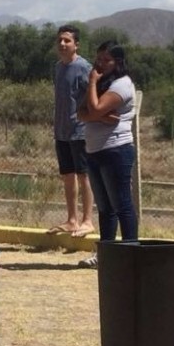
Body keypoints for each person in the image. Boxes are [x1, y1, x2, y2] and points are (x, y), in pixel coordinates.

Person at [76, 41, 138, 268]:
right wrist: (99, 116)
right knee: (105, 208)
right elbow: (81, 113)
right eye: (98, 58)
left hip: (116, 151)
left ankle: (131, 253)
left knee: (122, 204)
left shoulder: (122, 85)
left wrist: (92, 83)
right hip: (94, 151)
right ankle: (106, 253)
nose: (100, 64)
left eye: (106, 60)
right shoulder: (104, 83)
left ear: (118, 62)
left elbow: (93, 108)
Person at [49, 26, 94, 238]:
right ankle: (72, 219)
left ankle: (87, 220)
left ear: (76, 44)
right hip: (61, 131)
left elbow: (94, 96)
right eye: (60, 40)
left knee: (84, 176)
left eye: (67, 40)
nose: (62, 44)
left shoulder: (84, 67)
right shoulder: (58, 67)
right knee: (68, 176)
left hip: (80, 130)